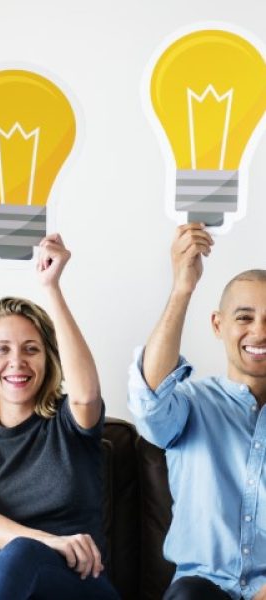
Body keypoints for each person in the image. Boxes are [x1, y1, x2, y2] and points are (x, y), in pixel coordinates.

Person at [0, 234, 120, 600]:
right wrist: (49, 542)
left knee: (23, 551)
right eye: (2, 350)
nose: (17, 362)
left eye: (31, 349)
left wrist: (51, 288)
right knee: (22, 552)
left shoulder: (69, 425)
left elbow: (87, 394)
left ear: (48, 359)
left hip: (80, 584)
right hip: (7, 588)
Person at [128, 222, 266, 600]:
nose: (259, 332)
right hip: (202, 591)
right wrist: (182, 287)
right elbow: (149, 398)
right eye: (244, 318)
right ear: (218, 326)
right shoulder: (191, 404)